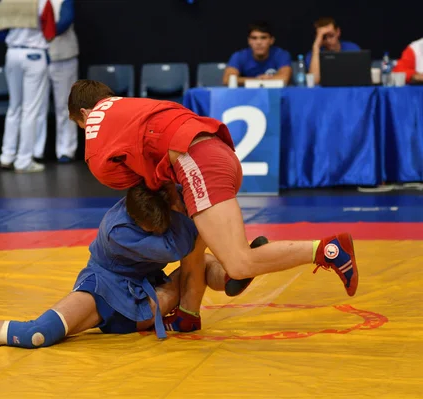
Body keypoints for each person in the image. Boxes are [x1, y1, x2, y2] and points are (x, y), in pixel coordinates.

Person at [67, 80, 359, 309]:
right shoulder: (133, 106)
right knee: (195, 245)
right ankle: (188, 313)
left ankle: (328, 250)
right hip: (218, 153)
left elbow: (126, 184)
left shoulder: (95, 123)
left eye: (80, 126)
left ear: (83, 114)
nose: (85, 130)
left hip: (195, 161)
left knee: (240, 263)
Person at [0, 185, 267, 351]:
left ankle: (237, 271)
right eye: (151, 229)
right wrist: (202, 221)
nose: (158, 231)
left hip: (149, 292)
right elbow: (182, 244)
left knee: (198, 267)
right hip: (106, 288)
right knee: (38, 334)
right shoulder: (117, 232)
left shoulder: (157, 210)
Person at [0, 0, 61, 173]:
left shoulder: (6, 2)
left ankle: (6, 156)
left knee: (14, 107)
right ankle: (23, 161)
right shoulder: (43, 3)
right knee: (30, 110)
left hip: (12, 53)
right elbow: (50, 33)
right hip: (34, 54)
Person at [34, 0, 80, 163]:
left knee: (65, 106)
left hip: (63, 57)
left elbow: (66, 20)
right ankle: (36, 150)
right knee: (37, 107)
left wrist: (43, 31)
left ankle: (66, 150)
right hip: (37, 58)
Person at [222, 21, 292, 87]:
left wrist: (248, 81)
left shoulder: (281, 55)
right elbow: (227, 79)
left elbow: (285, 78)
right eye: (254, 38)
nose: (259, 42)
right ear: (249, 41)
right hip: (248, 97)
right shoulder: (239, 56)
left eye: (263, 38)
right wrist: (259, 80)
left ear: (271, 40)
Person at [306, 17, 360, 85]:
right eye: (323, 37)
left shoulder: (352, 48)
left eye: (331, 36)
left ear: (338, 32)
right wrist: (316, 47)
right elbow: (314, 81)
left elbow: (360, 77)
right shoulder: (313, 54)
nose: (328, 41)